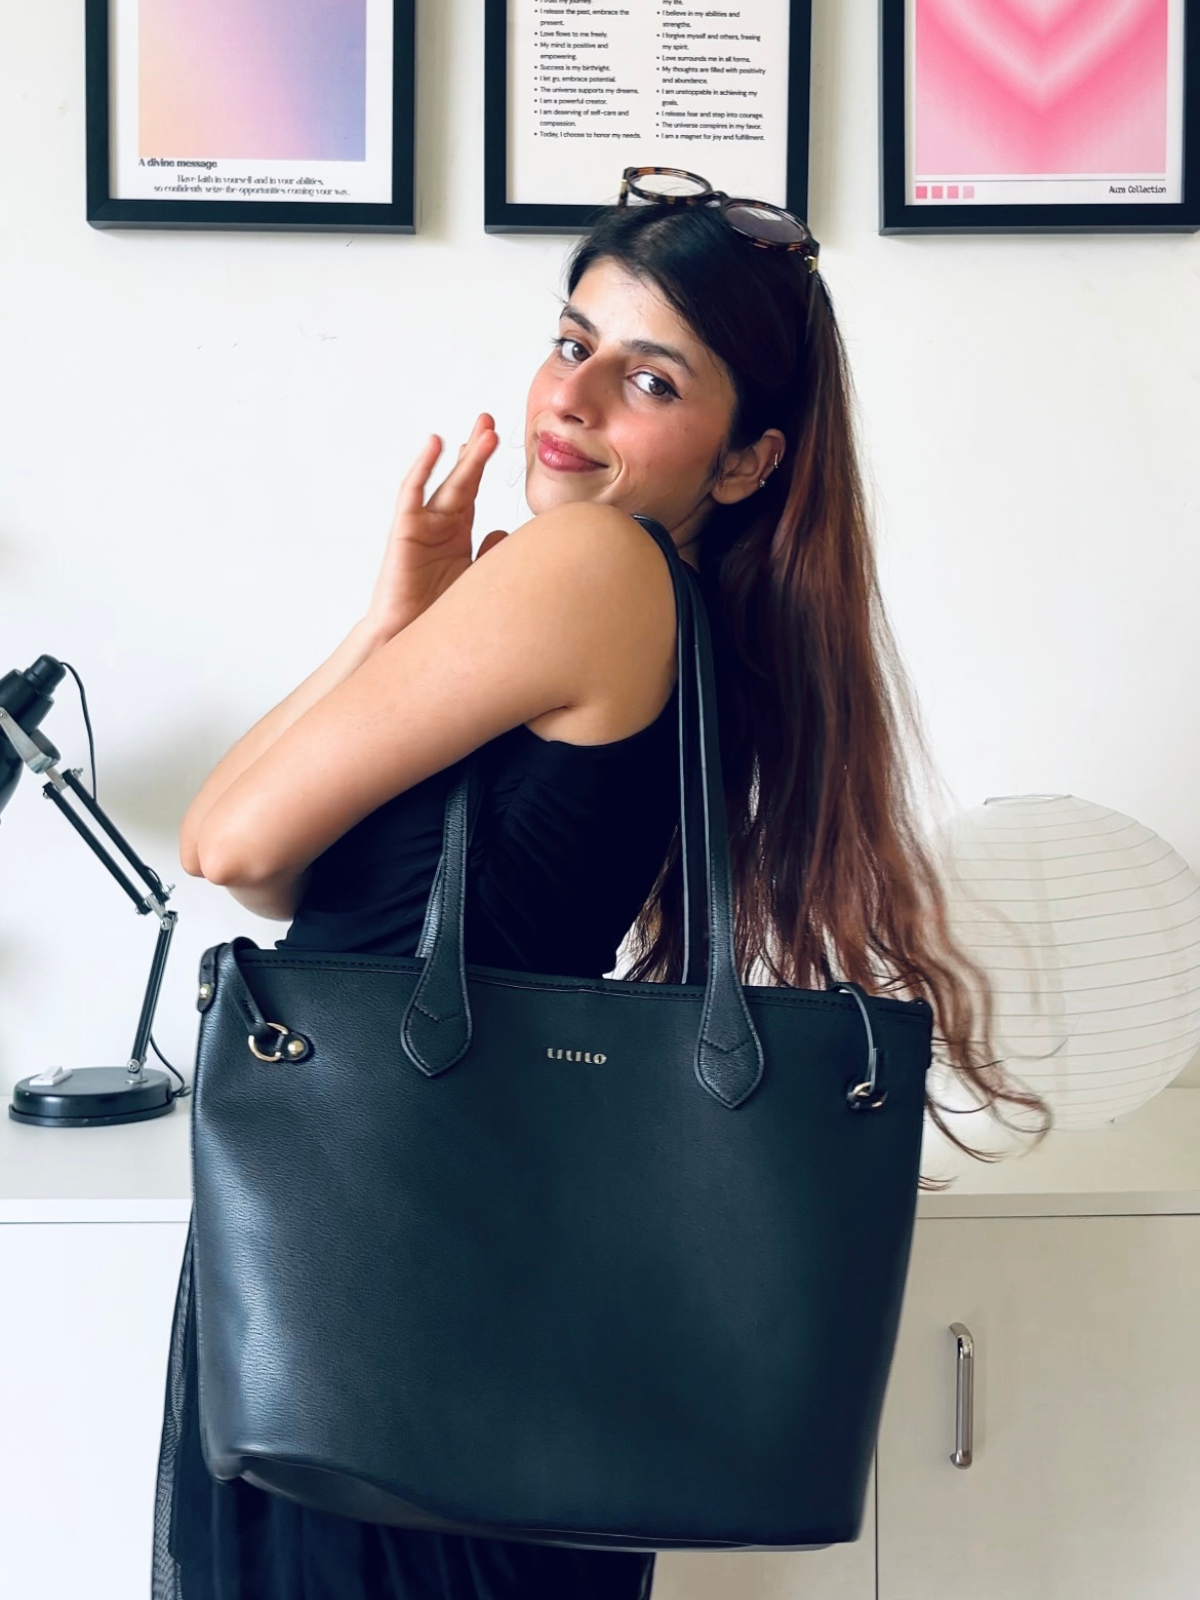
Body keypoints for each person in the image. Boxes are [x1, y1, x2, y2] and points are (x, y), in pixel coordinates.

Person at [151, 171, 1048, 1600]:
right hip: (466, 1265)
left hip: (377, 1263)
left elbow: (229, 847)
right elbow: (289, 879)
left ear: (746, 462)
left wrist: (400, 626)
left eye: (649, 377)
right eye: (571, 341)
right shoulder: (673, 607)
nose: (571, 397)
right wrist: (402, 613)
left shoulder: (589, 563)